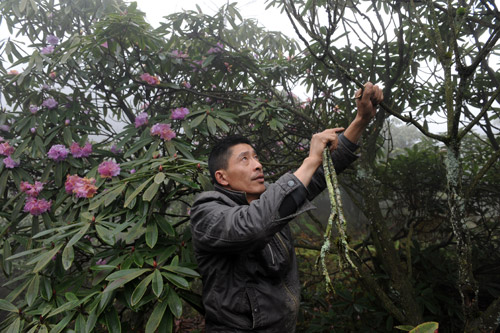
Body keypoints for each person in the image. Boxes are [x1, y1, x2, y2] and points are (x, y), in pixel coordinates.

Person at [190, 82, 383, 332]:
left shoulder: (270, 200)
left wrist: (360, 120)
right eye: (244, 159)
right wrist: (310, 158)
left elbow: (319, 174)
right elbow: (252, 226)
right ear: (222, 177)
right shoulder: (206, 211)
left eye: (256, 157)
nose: (257, 165)